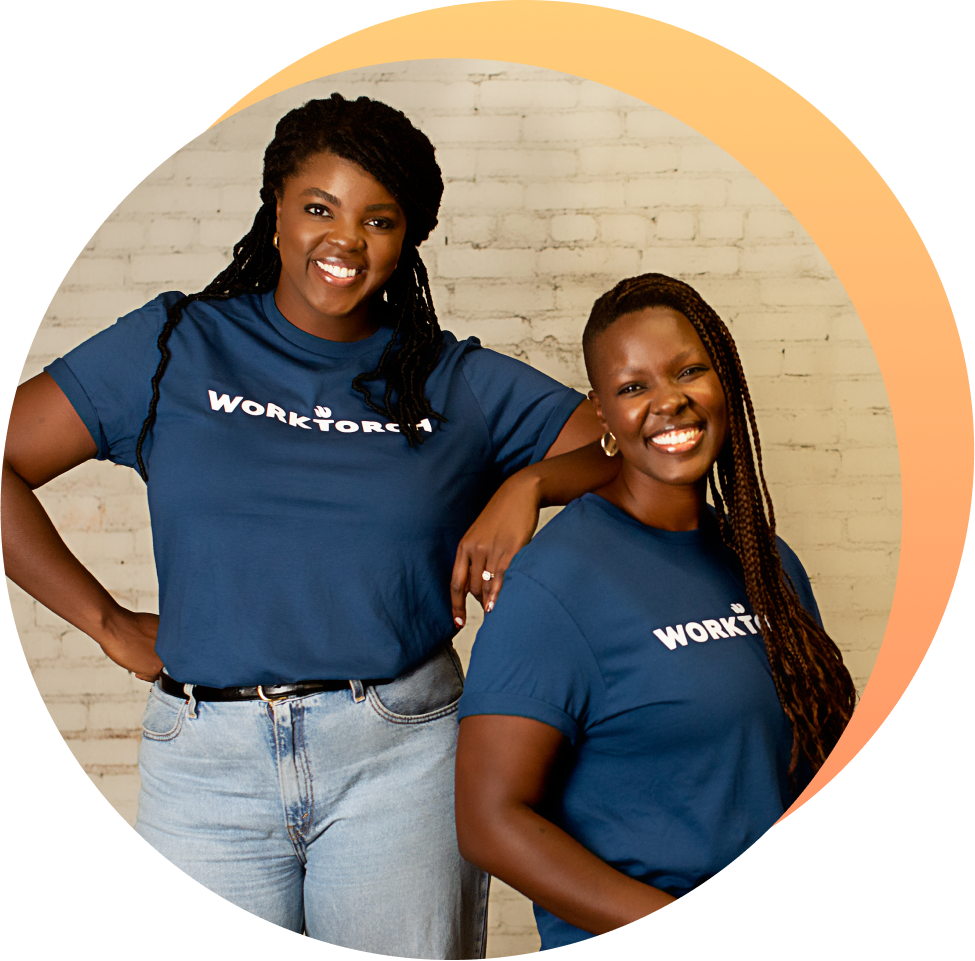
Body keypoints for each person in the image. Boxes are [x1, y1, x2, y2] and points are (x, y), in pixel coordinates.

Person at [1, 94, 620, 956]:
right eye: (319, 208)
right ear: (278, 211)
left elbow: (638, 445)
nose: (345, 240)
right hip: (206, 766)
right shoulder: (174, 346)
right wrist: (104, 622)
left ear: (408, 238)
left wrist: (528, 481)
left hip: (398, 758)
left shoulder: (452, 380)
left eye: (379, 219)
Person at [455, 273, 858, 950]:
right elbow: (488, 821)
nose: (668, 400)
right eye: (633, 386)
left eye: (688, 370)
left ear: (722, 382)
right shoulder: (554, 583)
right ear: (602, 415)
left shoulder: (766, 563)